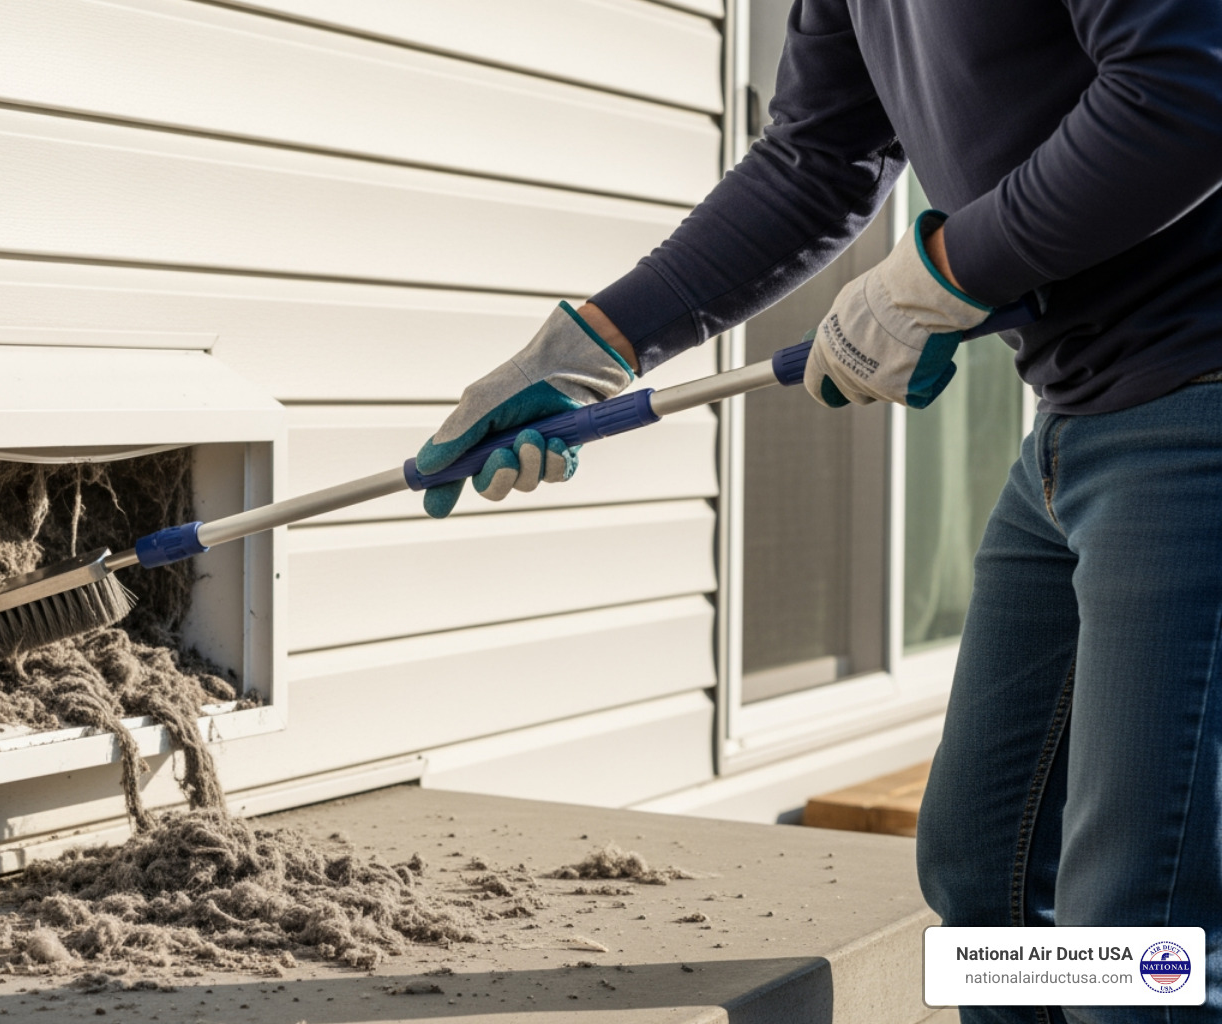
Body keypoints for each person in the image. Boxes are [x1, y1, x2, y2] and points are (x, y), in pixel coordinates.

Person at [416, 1, 1222, 1020]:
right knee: (987, 878)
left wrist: (944, 274)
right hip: (1076, 422)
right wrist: (589, 350)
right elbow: (817, 158)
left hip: (1198, 405)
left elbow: (1189, 92)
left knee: (1141, 948)